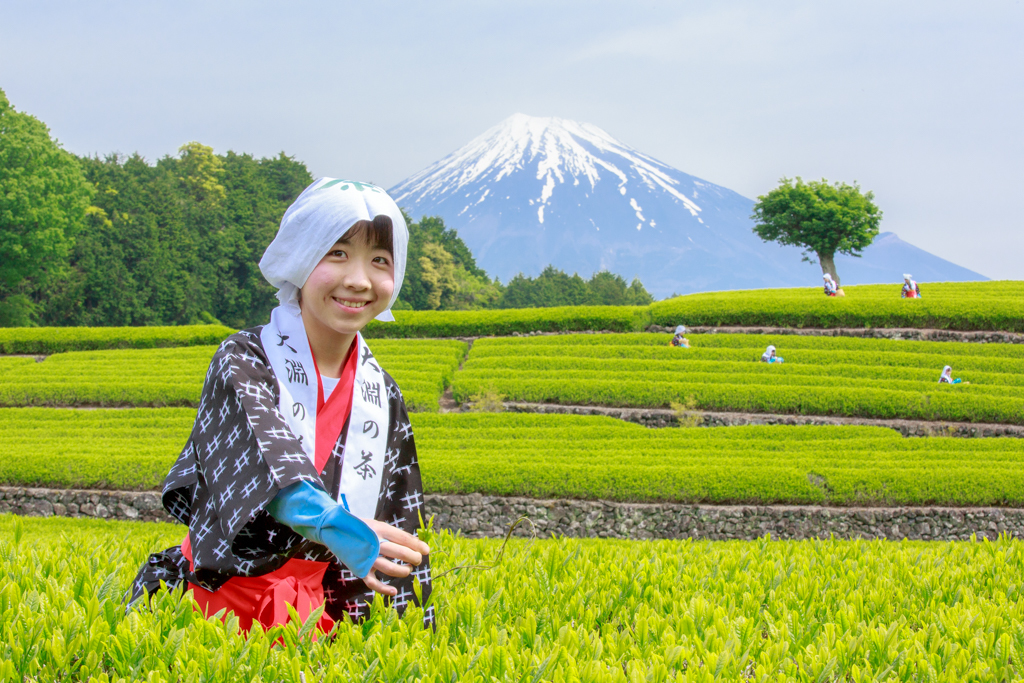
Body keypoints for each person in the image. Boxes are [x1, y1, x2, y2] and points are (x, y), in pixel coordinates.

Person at [128, 178, 433, 633]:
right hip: (209, 608)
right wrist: (337, 526)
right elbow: (270, 468)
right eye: (337, 253)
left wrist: (410, 631)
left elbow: (399, 521)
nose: (358, 279)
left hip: (308, 622)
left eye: (380, 261)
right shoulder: (245, 359)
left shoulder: (381, 392)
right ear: (300, 257)